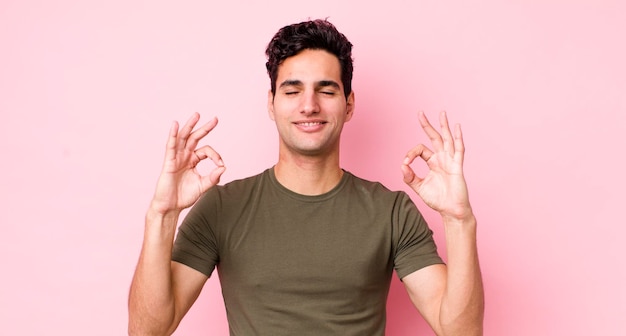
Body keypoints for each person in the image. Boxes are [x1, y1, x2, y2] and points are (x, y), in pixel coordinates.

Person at [128, 19, 484, 336]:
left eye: (326, 90)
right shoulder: (222, 207)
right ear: (271, 103)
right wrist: (162, 215)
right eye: (292, 90)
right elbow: (148, 330)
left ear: (349, 104)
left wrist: (459, 220)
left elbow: (460, 330)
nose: (309, 105)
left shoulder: (391, 211)